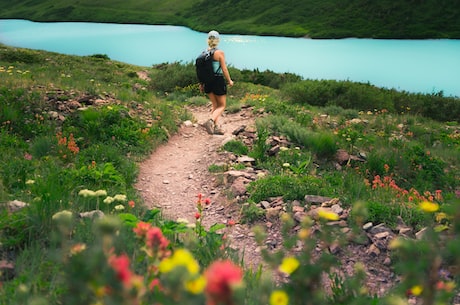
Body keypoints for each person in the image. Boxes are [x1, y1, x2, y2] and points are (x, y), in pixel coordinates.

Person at [201, 30, 234, 135]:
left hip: (207, 82)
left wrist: (201, 84)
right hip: (218, 80)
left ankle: (214, 128)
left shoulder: (204, 53)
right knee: (222, 105)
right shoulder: (219, 53)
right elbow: (224, 69)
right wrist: (229, 80)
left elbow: (202, 70)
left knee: (215, 105)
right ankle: (210, 121)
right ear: (217, 40)